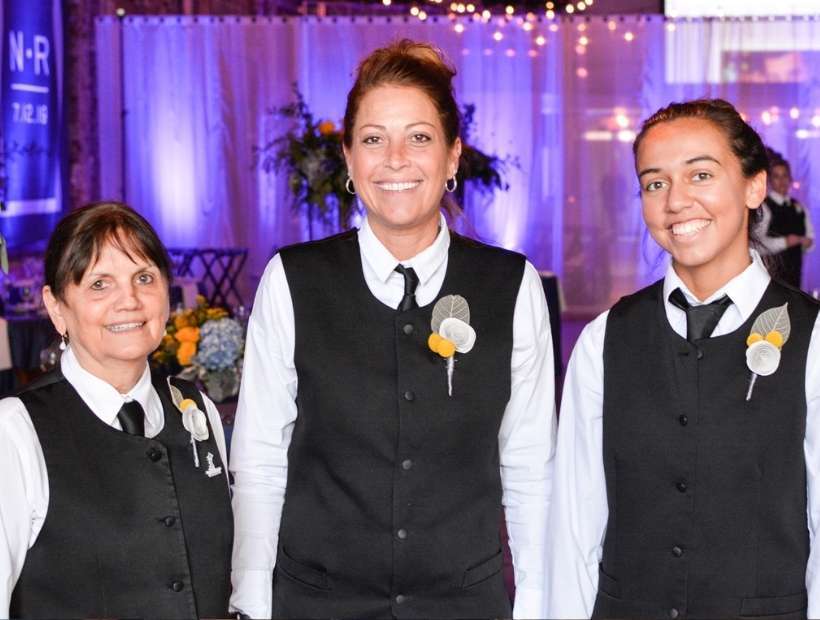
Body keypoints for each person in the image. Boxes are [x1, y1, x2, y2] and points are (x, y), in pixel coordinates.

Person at [230, 39, 555, 619]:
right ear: (350, 159)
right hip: (318, 602)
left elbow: (529, 463)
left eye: (420, 138)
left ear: (453, 157)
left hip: (464, 604)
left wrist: (534, 602)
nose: (396, 158)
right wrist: (252, 599)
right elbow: (259, 458)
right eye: (375, 139)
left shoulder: (511, 285)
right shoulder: (292, 280)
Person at [546, 99, 820, 619]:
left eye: (700, 174)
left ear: (754, 186)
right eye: (655, 183)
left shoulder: (815, 338)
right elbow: (575, 527)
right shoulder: (606, 338)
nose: (676, 201)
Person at [0, 202, 233, 618]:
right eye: (99, 284)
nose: (130, 301)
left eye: (144, 278)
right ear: (56, 308)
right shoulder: (16, 432)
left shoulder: (199, 410)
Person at [755, 153, 814, 288]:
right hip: (771, 277)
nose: (782, 181)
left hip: (795, 277)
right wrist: (785, 242)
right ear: (769, 180)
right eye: (776, 176)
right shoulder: (764, 207)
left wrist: (807, 243)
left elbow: (810, 238)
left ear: (790, 178)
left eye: (785, 176)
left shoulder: (799, 207)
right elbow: (756, 245)